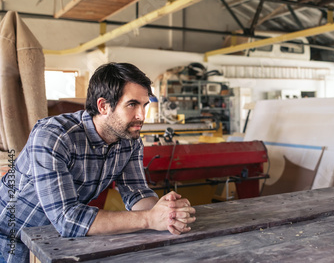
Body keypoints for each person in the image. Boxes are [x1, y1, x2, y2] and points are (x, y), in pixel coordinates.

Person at [0, 62, 196, 263]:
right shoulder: (54, 136)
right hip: (8, 229)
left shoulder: (129, 140)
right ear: (103, 106)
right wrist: (149, 219)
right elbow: (68, 218)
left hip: (49, 233)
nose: (141, 116)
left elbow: (136, 192)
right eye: (132, 105)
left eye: (144, 105)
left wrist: (166, 214)